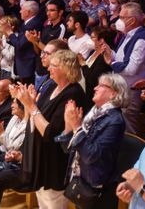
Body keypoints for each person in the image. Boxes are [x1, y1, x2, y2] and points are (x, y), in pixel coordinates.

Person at [14, 50, 86, 208]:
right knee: (43, 203)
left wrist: (30, 105)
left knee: (53, 203)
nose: (48, 69)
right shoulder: (51, 86)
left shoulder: (73, 94)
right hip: (41, 159)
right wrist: (29, 104)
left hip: (56, 162)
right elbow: (36, 118)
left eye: (53, 65)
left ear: (66, 69)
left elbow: (50, 133)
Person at [57, 73, 128, 208]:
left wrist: (77, 127)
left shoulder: (115, 121)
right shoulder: (94, 113)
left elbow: (91, 155)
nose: (95, 88)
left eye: (101, 86)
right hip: (81, 179)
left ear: (114, 94)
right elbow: (68, 148)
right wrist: (68, 124)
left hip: (98, 188)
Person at [109, 2, 145, 134]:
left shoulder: (141, 40)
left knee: (129, 130)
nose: (118, 20)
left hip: (131, 91)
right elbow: (120, 59)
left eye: (121, 17)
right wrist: (108, 52)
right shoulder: (127, 35)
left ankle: (132, 154)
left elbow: (131, 69)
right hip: (121, 88)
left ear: (132, 20)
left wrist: (111, 62)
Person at [79, 27, 114, 110]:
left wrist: (83, 63)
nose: (90, 40)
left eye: (92, 37)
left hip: (93, 95)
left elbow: (92, 78)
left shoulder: (105, 56)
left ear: (101, 40)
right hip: (84, 92)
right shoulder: (92, 52)